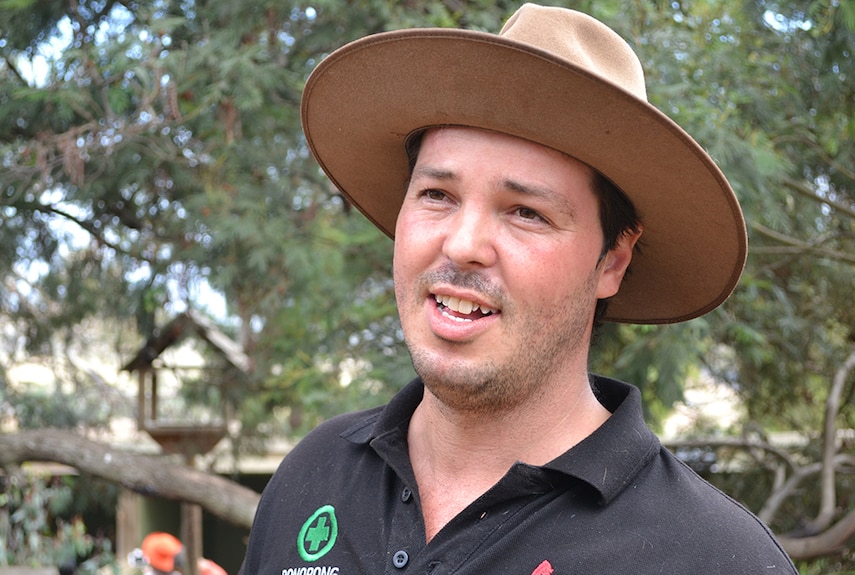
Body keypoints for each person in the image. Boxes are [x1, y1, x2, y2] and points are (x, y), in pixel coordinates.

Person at [240, 3, 797, 574]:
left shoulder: (712, 557)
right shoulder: (315, 474)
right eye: (437, 194)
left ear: (614, 260)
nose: (463, 245)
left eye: (526, 212)